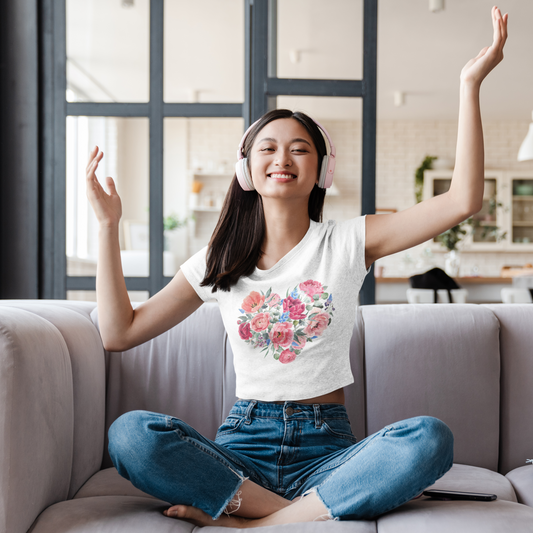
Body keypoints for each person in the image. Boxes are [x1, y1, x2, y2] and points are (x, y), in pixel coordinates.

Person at [85, 7, 507, 528]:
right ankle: (295, 515)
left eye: (299, 148)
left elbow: (462, 200)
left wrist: (469, 85)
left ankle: (256, 522)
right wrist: (107, 227)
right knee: (131, 434)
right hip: (240, 451)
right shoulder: (217, 261)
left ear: (322, 170)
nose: (282, 157)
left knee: (429, 439)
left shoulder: (351, 241)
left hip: (328, 453)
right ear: (247, 170)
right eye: (268, 147)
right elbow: (117, 333)